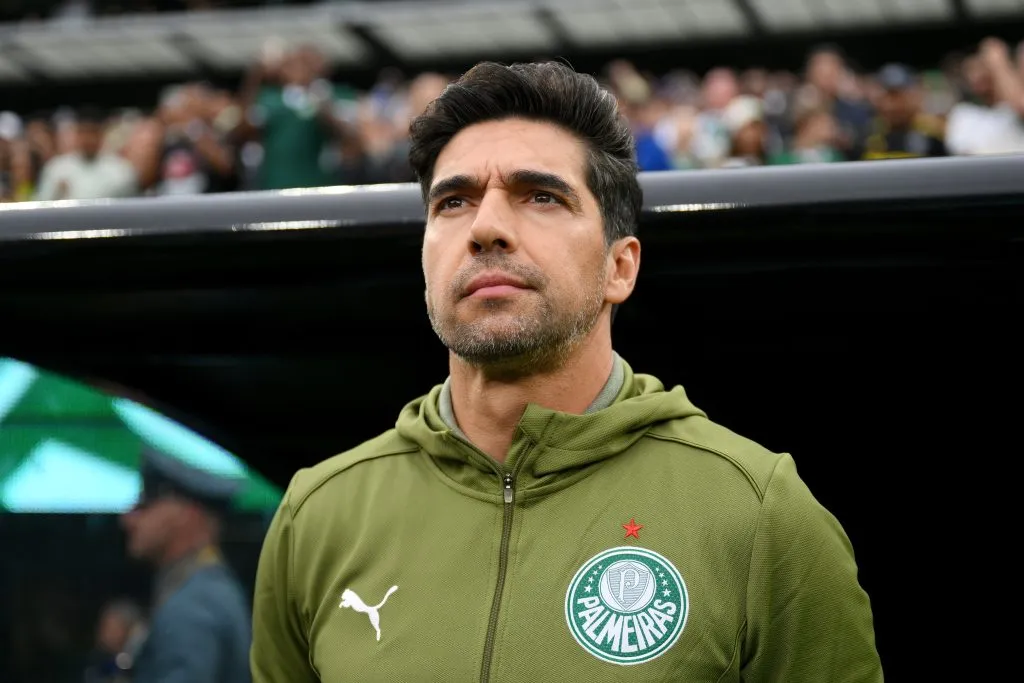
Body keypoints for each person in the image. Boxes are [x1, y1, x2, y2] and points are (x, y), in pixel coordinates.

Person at [251, 61, 883, 682]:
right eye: (454, 202)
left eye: (542, 197)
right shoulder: (318, 513)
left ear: (620, 268)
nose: (487, 228)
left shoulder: (755, 509)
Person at [120, 447, 251, 683]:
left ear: (186, 514)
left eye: (145, 504)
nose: (128, 519)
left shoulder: (196, 603)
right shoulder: (205, 588)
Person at [857, 63, 946, 160]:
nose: (891, 105)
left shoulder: (933, 134)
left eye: (898, 96)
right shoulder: (866, 135)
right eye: (887, 96)